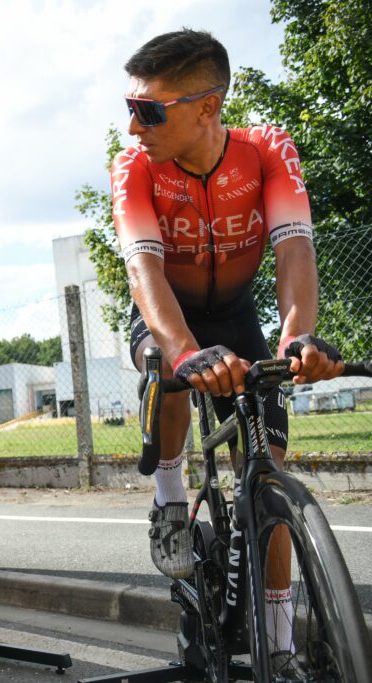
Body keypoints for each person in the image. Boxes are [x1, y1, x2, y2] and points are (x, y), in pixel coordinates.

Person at [112, 29, 343, 661]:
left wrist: (297, 339)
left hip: (237, 315)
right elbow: (144, 274)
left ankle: (276, 639)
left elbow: (295, 249)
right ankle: (169, 499)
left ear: (208, 107)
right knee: (167, 368)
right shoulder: (134, 166)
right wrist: (186, 352)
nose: (134, 127)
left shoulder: (267, 151)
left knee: (266, 463)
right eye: (130, 108)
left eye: (149, 111)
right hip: (169, 317)